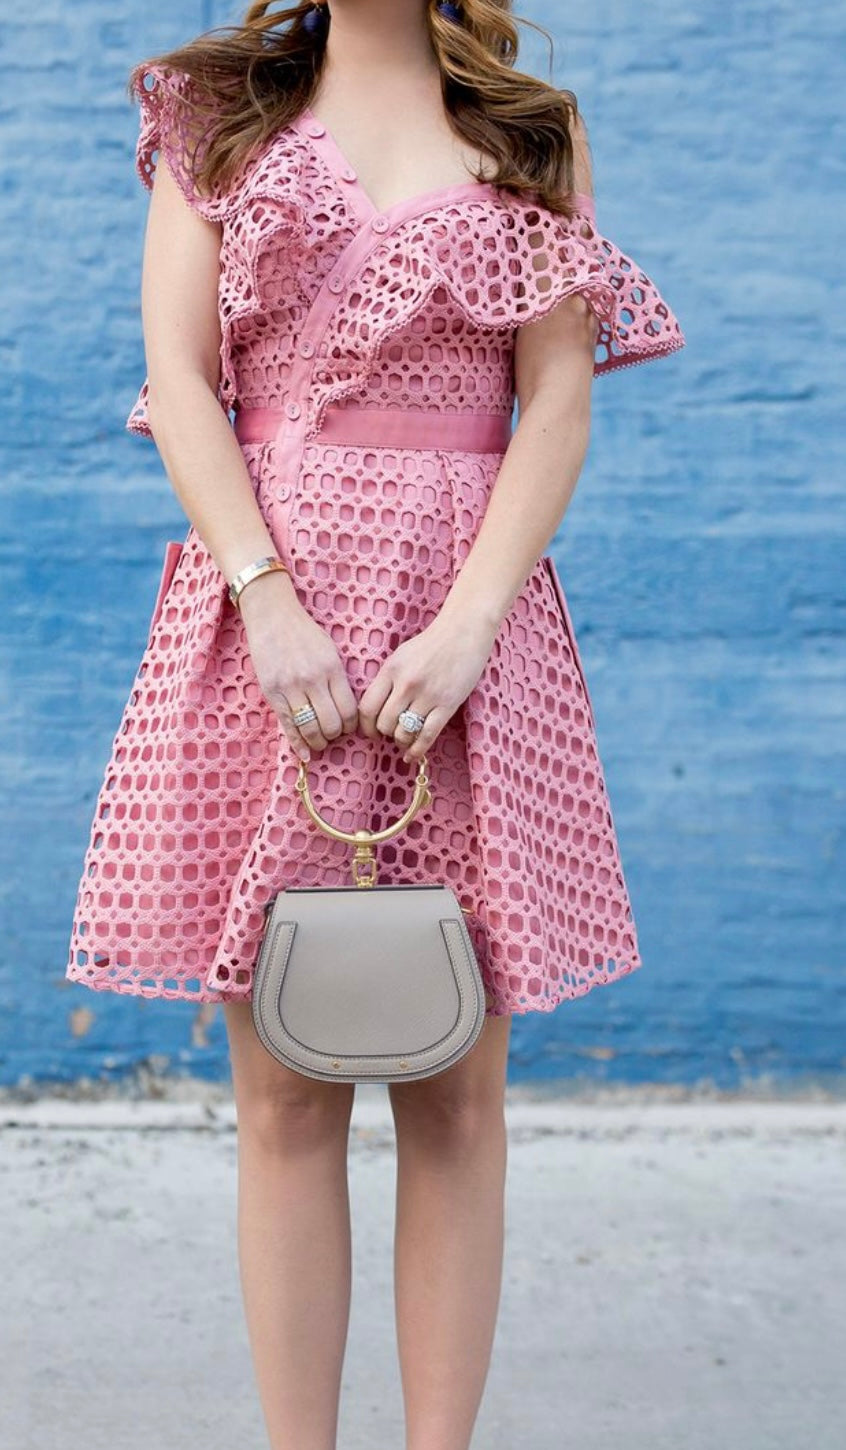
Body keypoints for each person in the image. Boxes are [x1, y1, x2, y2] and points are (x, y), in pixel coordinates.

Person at [65, 1, 684, 1445]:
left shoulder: (530, 129)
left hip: (467, 639)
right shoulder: (212, 116)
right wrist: (266, 598)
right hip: (259, 637)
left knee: (456, 1091)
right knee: (282, 1095)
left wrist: (468, 625)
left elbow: (552, 406)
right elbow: (183, 381)